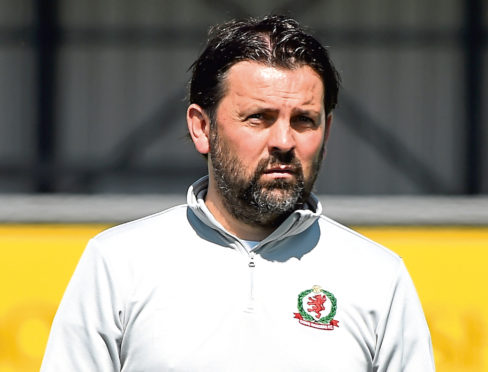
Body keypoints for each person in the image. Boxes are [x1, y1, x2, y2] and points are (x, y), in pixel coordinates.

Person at [41, 15, 435, 371]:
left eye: (304, 120)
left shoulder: (379, 276)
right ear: (201, 128)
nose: (283, 140)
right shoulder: (117, 262)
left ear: (326, 132)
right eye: (258, 118)